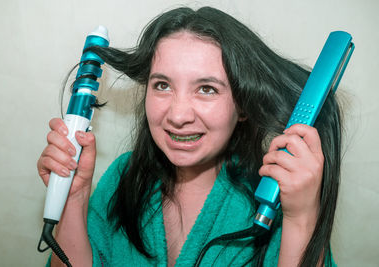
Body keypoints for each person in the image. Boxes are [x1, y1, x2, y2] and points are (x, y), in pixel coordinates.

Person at [37, 6, 342, 267]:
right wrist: (72, 199)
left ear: (243, 105)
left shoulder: (275, 202)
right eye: (162, 85)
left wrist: (301, 219)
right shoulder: (122, 177)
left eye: (206, 89)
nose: (178, 115)